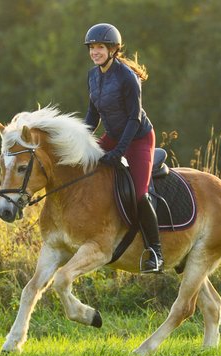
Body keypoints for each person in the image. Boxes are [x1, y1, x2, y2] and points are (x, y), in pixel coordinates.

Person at [83, 23, 163, 273]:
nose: (95, 52)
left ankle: (156, 252)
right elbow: (92, 115)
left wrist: (119, 152)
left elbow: (134, 118)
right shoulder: (93, 76)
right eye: (92, 48)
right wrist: (82, 141)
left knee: (140, 194)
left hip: (138, 138)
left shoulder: (127, 77)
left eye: (100, 47)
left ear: (113, 49)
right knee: (81, 164)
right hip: (113, 135)